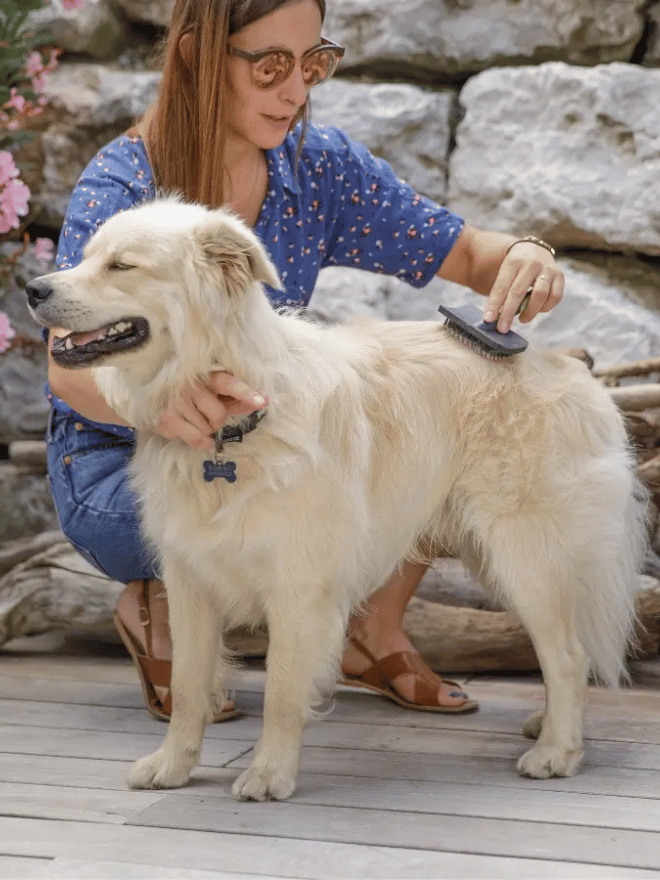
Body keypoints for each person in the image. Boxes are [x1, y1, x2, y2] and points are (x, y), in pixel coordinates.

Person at [46, 0, 564, 721]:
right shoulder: (123, 183)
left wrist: (527, 256)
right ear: (195, 54)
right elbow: (66, 368)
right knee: (198, 514)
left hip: (259, 441)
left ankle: (369, 629)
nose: (297, 92)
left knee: (404, 425)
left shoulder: (319, 170)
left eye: (313, 63)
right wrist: (160, 408)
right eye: (271, 66)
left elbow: (470, 252)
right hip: (120, 451)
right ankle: (157, 602)